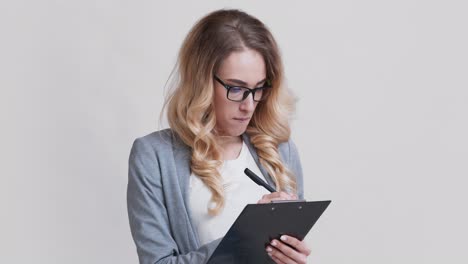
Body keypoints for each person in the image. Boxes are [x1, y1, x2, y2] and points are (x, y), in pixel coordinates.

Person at [127, 9, 311, 264]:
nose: (249, 105)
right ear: (201, 82)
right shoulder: (154, 157)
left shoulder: (280, 150)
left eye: (259, 88)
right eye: (236, 88)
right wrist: (245, 237)